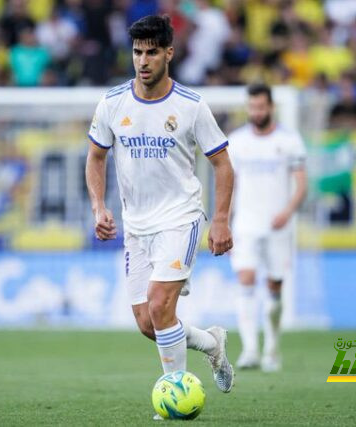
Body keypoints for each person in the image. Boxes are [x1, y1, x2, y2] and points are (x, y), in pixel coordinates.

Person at [84, 15, 235, 406]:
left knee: (159, 304)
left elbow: (222, 164)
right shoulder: (113, 102)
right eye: (137, 52)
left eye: (152, 52)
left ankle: (177, 396)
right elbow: (95, 157)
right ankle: (211, 342)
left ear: (169, 53)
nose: (143, 60)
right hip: (137, 225)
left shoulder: (191, 106)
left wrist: (219, 220)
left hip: (180, 218)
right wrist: (98, 206)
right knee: (149, 323)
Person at [228, 83, 307, 372]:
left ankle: (272, 347)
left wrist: (287, 212)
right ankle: (250, 350)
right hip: (245, 223)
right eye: (252, 107)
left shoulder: (289, 140)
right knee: (245, 279)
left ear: (271, 107)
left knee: (274, 287)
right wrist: (224, 221)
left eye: (261, 107)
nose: (256, 112)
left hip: (277, 224)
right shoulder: (236, 141)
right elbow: (229, 186)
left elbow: (301, 184)